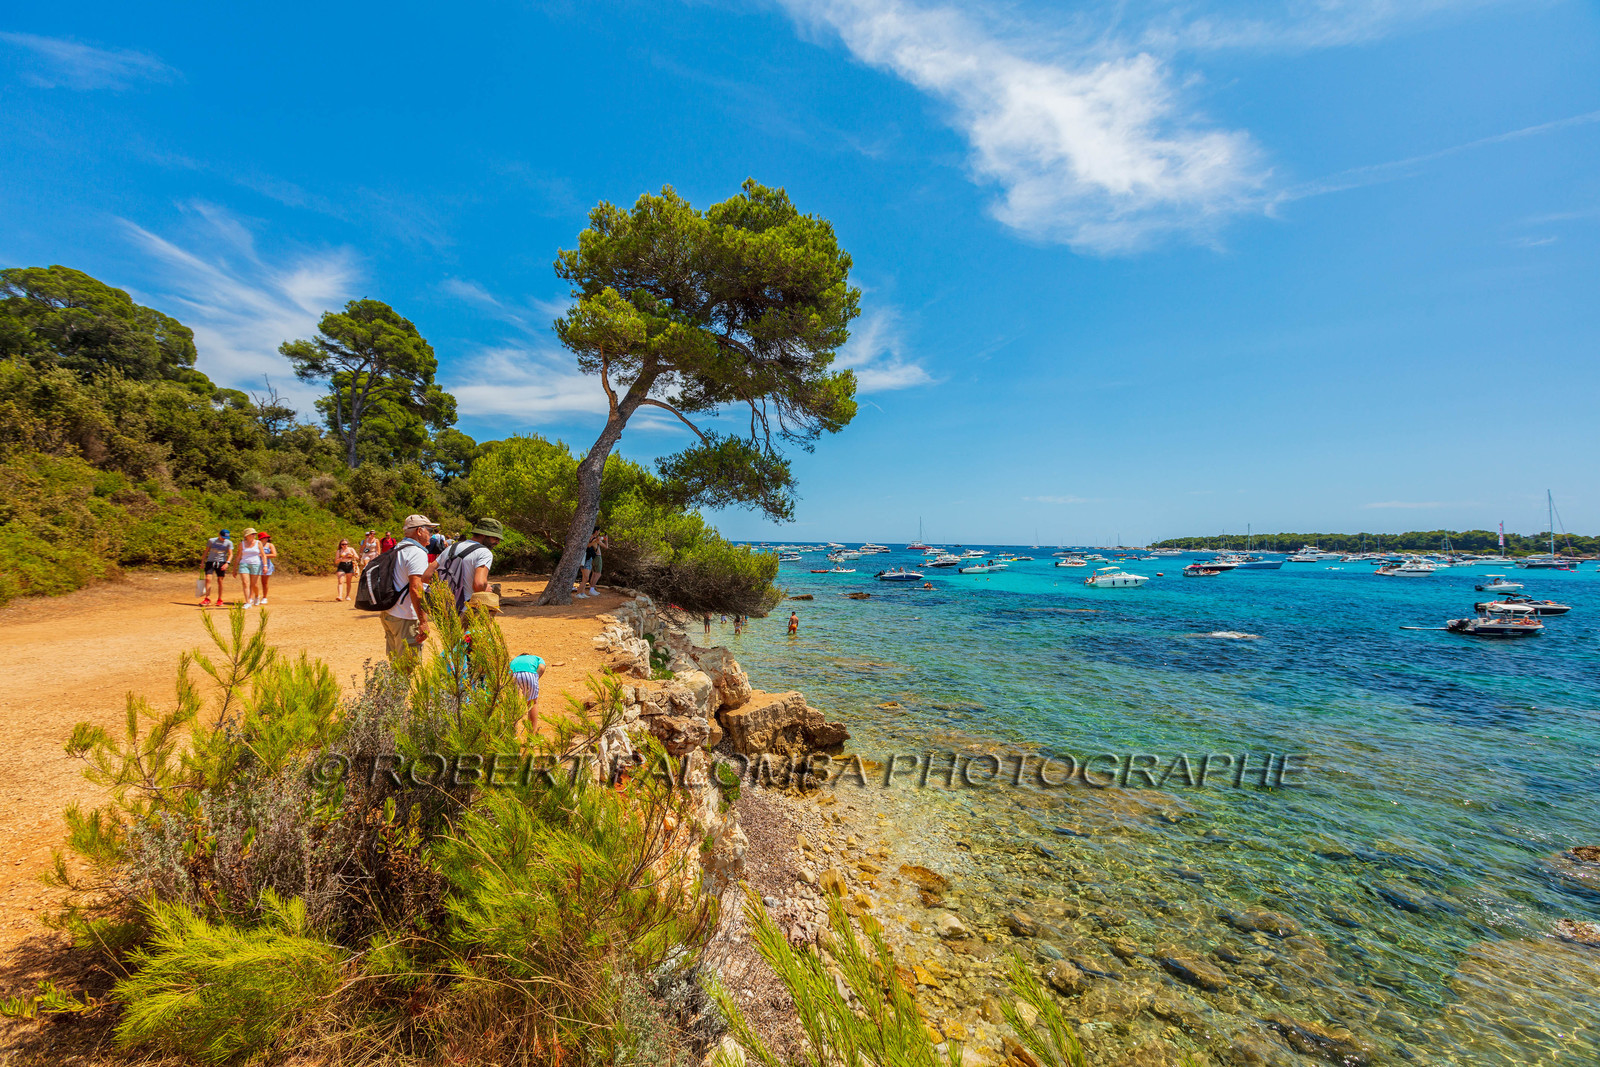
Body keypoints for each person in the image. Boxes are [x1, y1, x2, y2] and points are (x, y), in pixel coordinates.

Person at [382, 515, 438, 661]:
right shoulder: (416, 553)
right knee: (408, 667)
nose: (431, 535)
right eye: (430, 530)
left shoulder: (397, 548)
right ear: (419, 531)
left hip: (390, 612)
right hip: (406, 616)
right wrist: (423, 621)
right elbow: (415, 588)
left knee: (396, 665)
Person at [435, 518, 505, 615]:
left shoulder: (451, 548)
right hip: (468, 609)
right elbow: (479, 584)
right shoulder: (484, 552)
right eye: (495, 538)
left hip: (448, 609)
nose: (497, 542)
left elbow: (426, 576)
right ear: (483, 534)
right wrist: (486, 588)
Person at [509, 650, 547, 737]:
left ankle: (512, 733)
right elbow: (541, 667)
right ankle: (531, 735)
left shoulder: (514, 660)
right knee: (532, 703)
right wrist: (535, 679)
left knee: (513, 703)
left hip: (514, 675)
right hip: (530, 675)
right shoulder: (536, 658)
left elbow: (508, 671)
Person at [201, 528, 234, 606]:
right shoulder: (211, 541)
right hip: (210, 561)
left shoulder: (229, 543)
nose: (224, 539)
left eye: (225, 537)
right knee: (208, 579)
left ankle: (220, 599)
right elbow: (206, 551)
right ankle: (207, 598)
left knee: (220, 581)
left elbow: (231, 554)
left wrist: (227, 563)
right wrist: (202, 561)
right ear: (219, 534)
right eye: (223, 537)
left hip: (221, 562)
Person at [236, 529, 264, 607]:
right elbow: (238, 556)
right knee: (245, 583)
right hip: (244, 564)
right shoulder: (241, 544)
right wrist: (234, 568)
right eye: (252, 534)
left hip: (255, 564)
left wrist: (265, 566)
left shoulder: (258, 543)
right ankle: (248, 602)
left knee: (254, 584)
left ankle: (257, 596)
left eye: (254, 534)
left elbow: (263, 554)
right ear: (246, 535)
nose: (254, 535)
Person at [577, 528, 608, 598]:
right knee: (587, 577)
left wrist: (604, 538)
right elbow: (589, 545)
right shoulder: (593, 539)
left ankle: (582, 593)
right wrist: (599, 540)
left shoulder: (594, 539)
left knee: (586, 578)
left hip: (589, 558)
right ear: (596, 531)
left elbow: (601, 541)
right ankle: (580, 593)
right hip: (588, 558)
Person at [257, 533, 278, 604]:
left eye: (267, 537)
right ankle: (255, 596)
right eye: (264, 537)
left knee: (264, 582)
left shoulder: (270, 545)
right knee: (254, 582)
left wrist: (263, 555)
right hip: (256, 564)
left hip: (267, 565)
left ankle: (264, 597)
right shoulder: (256, 544)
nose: (266, 539)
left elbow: (274, 554)